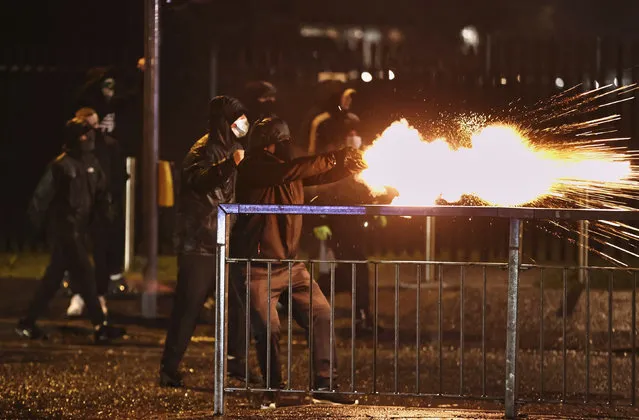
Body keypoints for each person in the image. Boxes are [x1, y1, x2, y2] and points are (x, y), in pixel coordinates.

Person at [231, 117, 367, 405]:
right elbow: (290, 170)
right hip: (256, 267)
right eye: (282, 143)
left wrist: (347, 165)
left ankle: (324, 384)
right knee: (268, 329)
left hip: (291, 266)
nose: (286, 148)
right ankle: (272, 391)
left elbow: (314, 174)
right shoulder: (253, 167)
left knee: (322, 313)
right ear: (270, 143)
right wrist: (334, 156)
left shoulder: (287, 172)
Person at [159, 96, 250, 388]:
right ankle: (169, 368)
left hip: (223, 241)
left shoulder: (234, 148)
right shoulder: (203, 150)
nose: (242, 124)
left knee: (239, 304)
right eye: (236, 118)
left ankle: (237, 368)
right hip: (199, 243)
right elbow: (199, 180)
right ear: (224, 122)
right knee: (189, 307)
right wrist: (227, 166)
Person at [15, 118, 126, 344]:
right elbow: (40, 198)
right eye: (83, 134)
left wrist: (106, 215)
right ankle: (100, 325)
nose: (89, 138)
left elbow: (102, 194)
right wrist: (33, 229)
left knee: (54, 278)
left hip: (79, 229)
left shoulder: (91, 163)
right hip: (64, 230)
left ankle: (27, 322)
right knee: (85, 274)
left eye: (90, 134)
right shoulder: (61, 165)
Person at [66, 107, 127, 317]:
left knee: (100, 253)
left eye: (94, 125)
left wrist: (111, 203)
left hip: (99, 210)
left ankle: (98, 296)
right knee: (75, 254)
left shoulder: (108, 147)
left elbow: (117, 177)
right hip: (77, 211)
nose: (92, 131)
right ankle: (78, 294)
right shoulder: (72, 151)